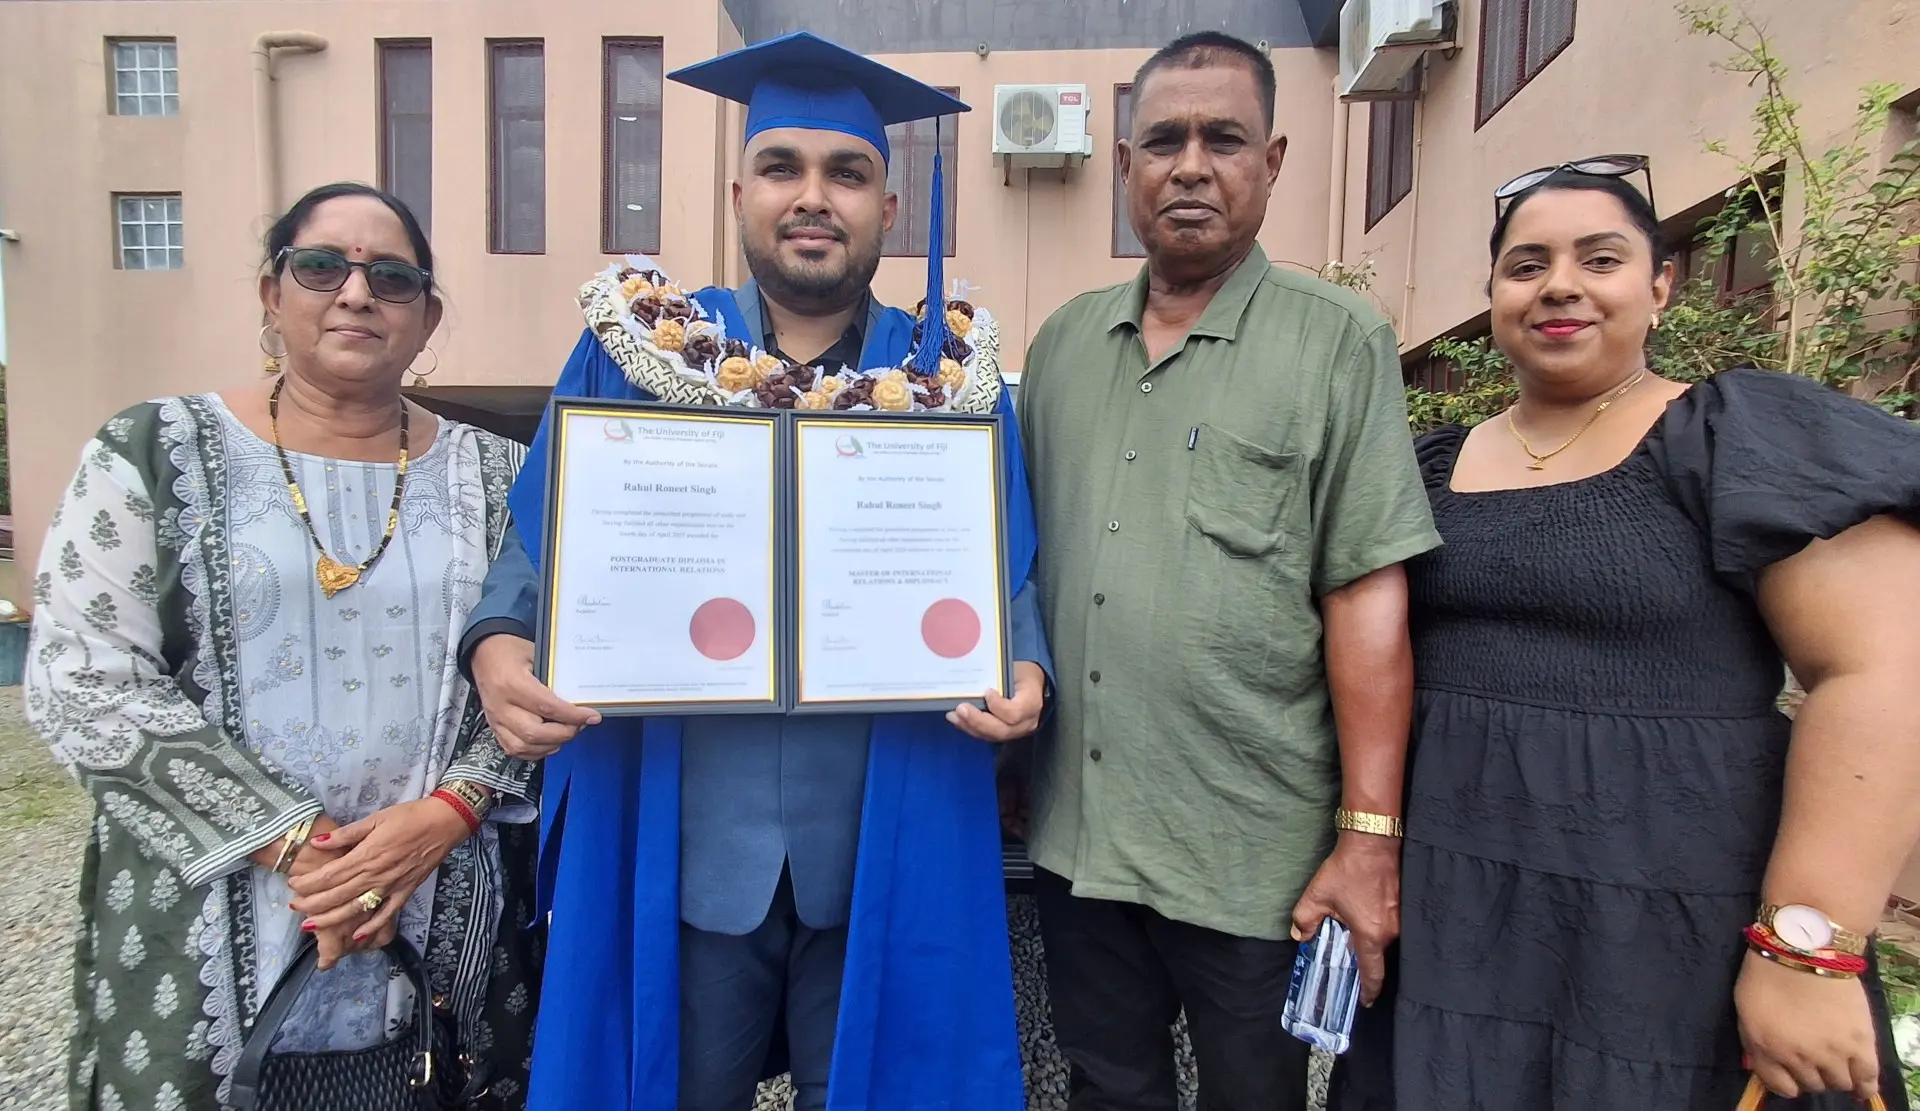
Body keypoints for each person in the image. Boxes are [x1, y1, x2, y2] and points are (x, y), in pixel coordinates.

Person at [458, 32, 1054, 1111]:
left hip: (884, 827)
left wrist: (1030, 671)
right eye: (784, 167)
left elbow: (1006, 568)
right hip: (689, 832)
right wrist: (500, 647)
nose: (813, 197)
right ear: (741, 191)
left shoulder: (949, 381)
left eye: (849, 173)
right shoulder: (641, 352)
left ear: (887, 204)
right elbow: (537, 550)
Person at [1328, 159, 1920, 1110]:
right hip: (1460, 921)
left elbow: (1882, 676)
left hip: (1668, 929)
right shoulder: (1429, 467)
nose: (1559, 283)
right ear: (1493, 296)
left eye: (1599, 258)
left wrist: (1807, 949)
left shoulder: (1732, 439)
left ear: (1658, 285)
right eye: (1527, 265)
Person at [24, 182, 541, 1111]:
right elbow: (84, 678)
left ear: (426, 318)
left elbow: (550, 663)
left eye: (391, 277)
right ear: (273, 295)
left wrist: (448, 815)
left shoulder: (501, 474)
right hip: (218, 901)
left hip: (440, 884)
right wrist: (302, 849)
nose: (355, 293)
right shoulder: (149, 448)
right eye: (321, 266)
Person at [1009, 30, 1441, 1111]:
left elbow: (1367, 595)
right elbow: (1017, 568)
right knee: (1107, 1085)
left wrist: (1369, 836)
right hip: (1079, 833)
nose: (1190, 165)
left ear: (1274, 161)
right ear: (1123, 166)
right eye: (1162, 140)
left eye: (1223, 139)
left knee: (1252, 1093)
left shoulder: (1337, 342)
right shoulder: (1062, 346)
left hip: (1252, 851)